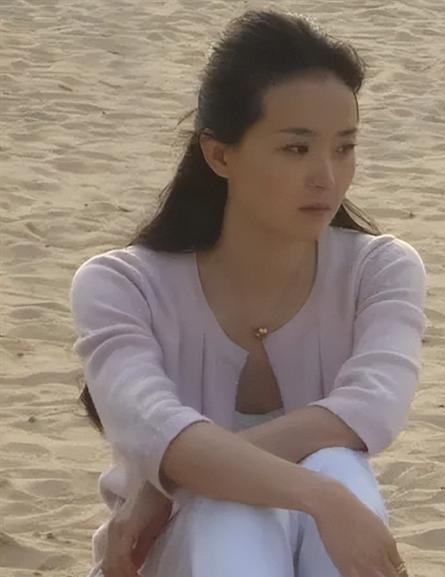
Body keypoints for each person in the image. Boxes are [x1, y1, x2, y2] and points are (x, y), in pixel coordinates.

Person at [69, 9, 426, 577]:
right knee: (243, 505)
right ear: (219, 155)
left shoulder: (380, 269)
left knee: (339, 462)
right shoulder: (121, 285)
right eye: (296, 149)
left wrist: (163, 489)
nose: (327, 176)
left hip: (307, 547)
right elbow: (163, 434)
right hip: (169, 557)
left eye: (344, 147)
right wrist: (319, 497)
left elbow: (369, 410)